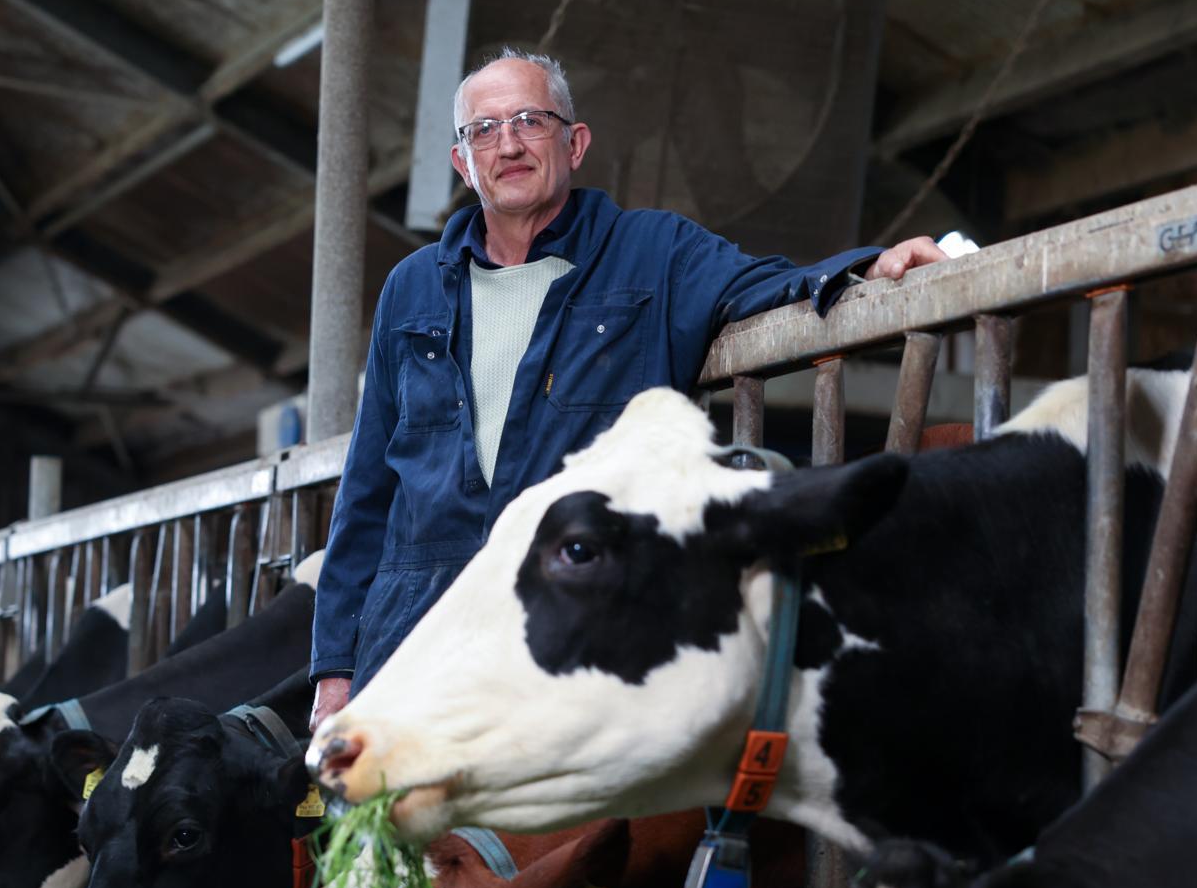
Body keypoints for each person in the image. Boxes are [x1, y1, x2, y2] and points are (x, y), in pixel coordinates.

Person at [309, 49, 947, 730]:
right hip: (418, 627)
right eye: (485, 131)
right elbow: (369, 488)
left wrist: (869, 267)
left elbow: (761, 282)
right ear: (462, 162)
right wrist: (335, 666)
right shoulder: (409, 287)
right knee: (383, 829)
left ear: (574, 143)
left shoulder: (652, 249)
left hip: (577, 622)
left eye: (531, 120)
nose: (510, 144)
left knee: (532, 822)